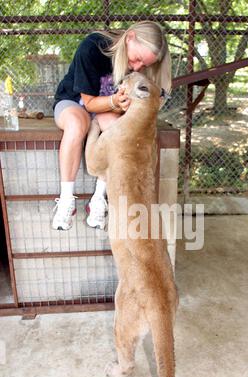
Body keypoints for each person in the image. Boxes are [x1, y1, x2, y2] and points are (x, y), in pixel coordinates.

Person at [52, 21, 171, 230]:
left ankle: (99, 198)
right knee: (76, 125)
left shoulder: (140, 64)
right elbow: (89, 103)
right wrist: (115, 102)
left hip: (109, 109)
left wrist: (125, 106)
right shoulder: (93, 47)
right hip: (75, 101)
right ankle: (66, 200)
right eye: (136, 59)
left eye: (144, 65)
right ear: (130, 37)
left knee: (119, 132)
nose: (136, 67)